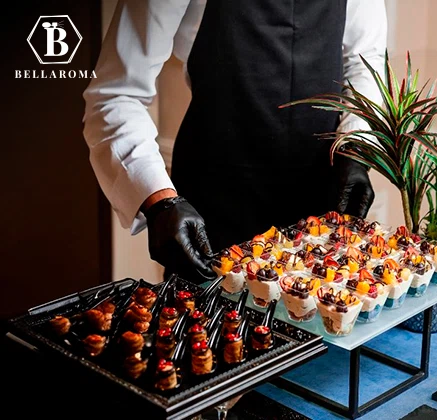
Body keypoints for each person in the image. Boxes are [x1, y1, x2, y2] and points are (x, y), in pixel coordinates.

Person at [83, 0, 387, 284]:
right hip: (215, 208)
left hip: (321, 210)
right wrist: (159, 202)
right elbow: (116, 95)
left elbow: (364, 62)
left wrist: (355, 148)